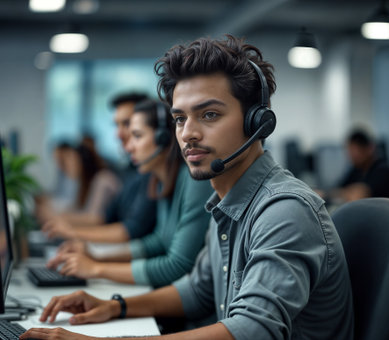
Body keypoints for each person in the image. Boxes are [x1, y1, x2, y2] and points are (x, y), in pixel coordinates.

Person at [21, 35, 354, 340]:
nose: (187, 133)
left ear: (257, 122)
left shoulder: (285, 210)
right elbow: (197, 291)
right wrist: (114, 306)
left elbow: (253, 329)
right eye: (180, 118)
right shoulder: (225, 202)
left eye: (208, 115)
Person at [45, 99, 213, 288]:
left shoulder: (193, 180)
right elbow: (157, 242)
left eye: (137, 136)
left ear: (163, 138)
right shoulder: (159, 182)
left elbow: (176, 265)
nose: (128, 147)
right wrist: (97, 256)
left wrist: (96, 268)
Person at [41, 93, 157, 244]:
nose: (118, 134)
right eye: (117, 125)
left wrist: (94, 264)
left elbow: (131, 230)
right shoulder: (129, 171)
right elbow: (107, 217)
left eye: (127, 124)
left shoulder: (148, 174)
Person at [329, 128, 389, 203]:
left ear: (369, 149)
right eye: (349, 151)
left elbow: (359, 195)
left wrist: (346, 192)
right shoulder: (357, 169)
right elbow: (339, 188)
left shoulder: (384, 171)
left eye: (355, 151)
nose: (351, 156)